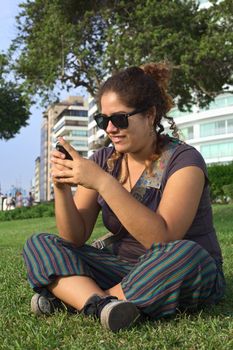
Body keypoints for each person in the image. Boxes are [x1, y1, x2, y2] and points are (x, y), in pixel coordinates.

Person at [22, 62, 226, 332]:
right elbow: (74, 237)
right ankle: (105, 305)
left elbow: (163, 239)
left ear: (150, 115)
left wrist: (103, 183)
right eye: (102, 120)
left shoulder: (184, 161)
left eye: (119, 119)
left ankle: (81, 299)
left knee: (185, 254)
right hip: (123, 267)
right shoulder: (104, 160)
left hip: (179, 269)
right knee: (41, 242)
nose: (110, 129)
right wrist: (61, 186)